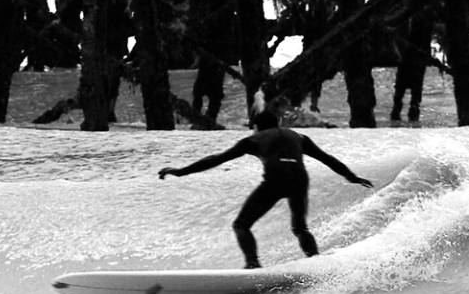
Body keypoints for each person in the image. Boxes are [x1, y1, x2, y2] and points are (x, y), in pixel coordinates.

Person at [158, 108, 374, 269]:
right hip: (299, 178)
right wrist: (352, 177)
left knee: (241, 225)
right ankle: (316, 262)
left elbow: (217, 159)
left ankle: (252, 264)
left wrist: (181, 171)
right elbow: (327, 159)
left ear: (257, 126)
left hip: (276, 179)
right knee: (300, 228)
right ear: (278, 123)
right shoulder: (299, 137)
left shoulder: (254, 139)